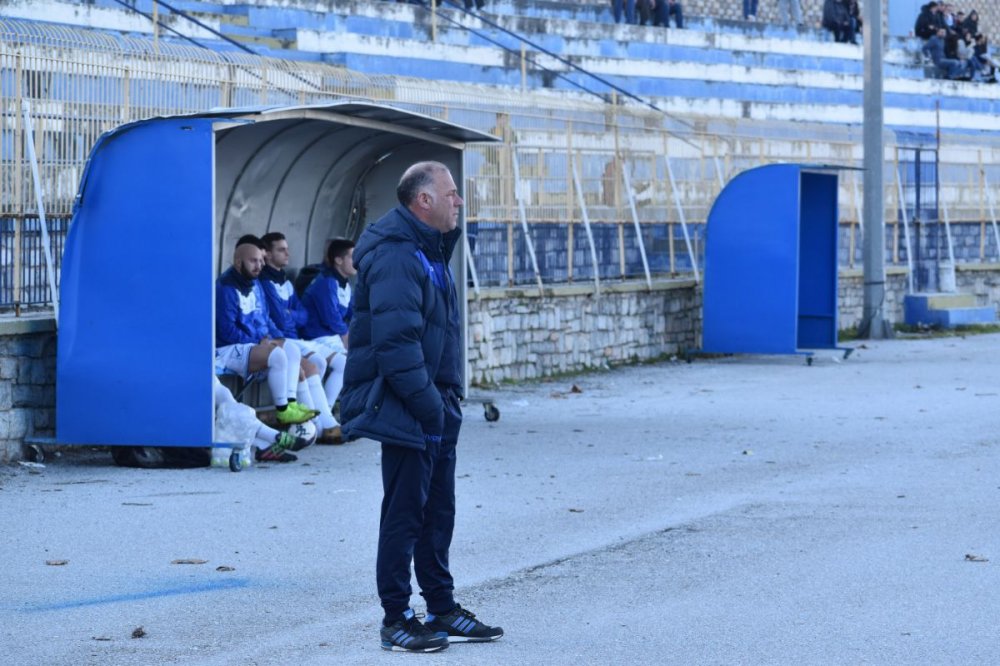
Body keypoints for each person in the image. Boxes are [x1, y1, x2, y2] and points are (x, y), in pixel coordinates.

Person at [339, 162, 503, 652]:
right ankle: (396, 618)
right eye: (451, 194)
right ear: (423, 201)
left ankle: (442, 608)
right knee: (405, 513)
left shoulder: (429, 251)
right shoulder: (397, 256)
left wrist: (443, 405)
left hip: (436, 404)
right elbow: (396, 345)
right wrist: (430, 407)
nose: (459, 202)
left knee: (438, 512)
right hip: (411, 407)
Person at [215, 237, 319, 437]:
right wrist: (259, 342)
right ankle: (282, 411)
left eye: (261, 261)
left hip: (252, 344)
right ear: (238, 262)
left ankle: (289, 403)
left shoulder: (254, 285)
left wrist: (270, 337)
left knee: (290, 348)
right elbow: (226, 330)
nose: (259, 266)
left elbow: (263, 318)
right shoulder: (225, 288)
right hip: (227, 348)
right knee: (277, 355)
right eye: (253, 261)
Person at [259, 232, 344, 444]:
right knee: (312, 364)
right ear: (267, 254)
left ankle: (319, 422)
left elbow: (303, 315)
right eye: (281, 249)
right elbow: (279, 317)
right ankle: (320, 423)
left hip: (294, 338)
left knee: (318, 363)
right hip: (281, 339)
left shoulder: (286, 281)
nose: (288, 253)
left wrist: (291, 316)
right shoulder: (265, 281)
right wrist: (291, 316)